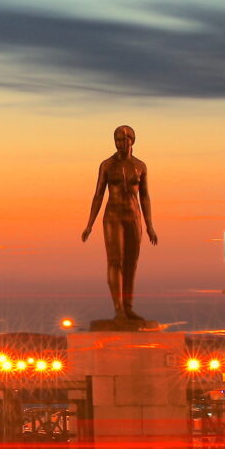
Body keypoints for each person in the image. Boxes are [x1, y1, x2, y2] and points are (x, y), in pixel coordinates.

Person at [80, 124, 160, 326]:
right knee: (115, 262)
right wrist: (89, 224)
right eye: (117, 140)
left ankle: (129, 307)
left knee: (131, 264)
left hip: (133, 216)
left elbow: (146, 197)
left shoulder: (140, 166)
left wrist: (150, 225)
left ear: (132, 141)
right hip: (113, 216)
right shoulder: (107, 165)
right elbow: (98, 194)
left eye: (124, 140)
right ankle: (118, 309)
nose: (121, 144)